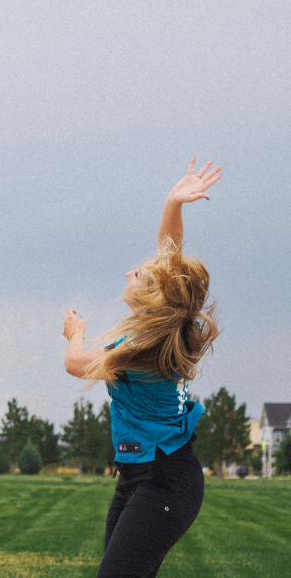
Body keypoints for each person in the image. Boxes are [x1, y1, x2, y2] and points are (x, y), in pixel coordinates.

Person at [63, 159, 223, 578]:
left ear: (154, 297)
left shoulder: (144, 346)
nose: (132, 271)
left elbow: (76, 364)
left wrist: (75, 332)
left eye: (141, 274)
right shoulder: (160, 329)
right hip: (137, 475)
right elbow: (168, 252)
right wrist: (174, 203)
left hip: (165, 479)